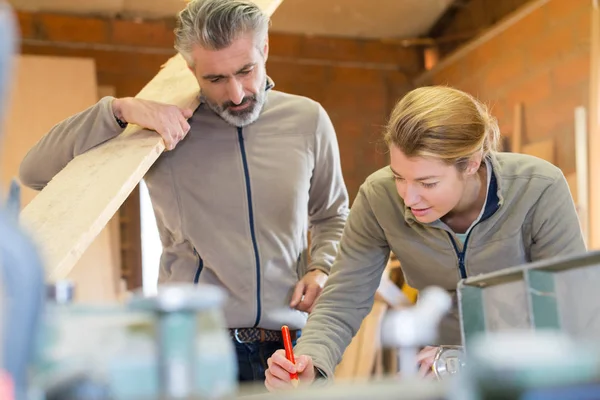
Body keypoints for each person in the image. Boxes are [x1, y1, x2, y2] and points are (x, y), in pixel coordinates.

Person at [18, 0, 349, 383]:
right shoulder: (160, 130)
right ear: (191, 69)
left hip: (292, 346)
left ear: (266, 49)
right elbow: (35, 171)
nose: (237, 94)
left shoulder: (308, 120)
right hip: (198, 347)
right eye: (215, 79)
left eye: (246, 70)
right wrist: (118, 111)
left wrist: (322, 267)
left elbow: (332, 214)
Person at [264, 85, 587, 390]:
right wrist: (312, 362)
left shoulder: (538, 188)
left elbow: (572, 309)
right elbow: (342, 299)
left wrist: (462, 360)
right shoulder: (379, 196)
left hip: (536, 372)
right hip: (438, 375)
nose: (408, 197)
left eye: (428, 183)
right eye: (399, 177)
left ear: (472, 163)